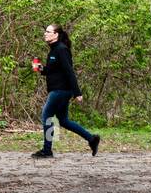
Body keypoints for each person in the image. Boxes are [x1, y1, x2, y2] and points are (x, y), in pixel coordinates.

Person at [31, 24, 100, 158]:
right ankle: (92, 139)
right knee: (63, 120)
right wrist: (41, 69)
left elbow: (69, 71)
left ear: (56, 34)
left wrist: (77, 92)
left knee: (46, 117)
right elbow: (52, 72)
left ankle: (47, 150)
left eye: (48, 31)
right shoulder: (53, 50)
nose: (45, 34)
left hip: (60, 91)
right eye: (45, 31)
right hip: (59, 90)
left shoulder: (62, 49)